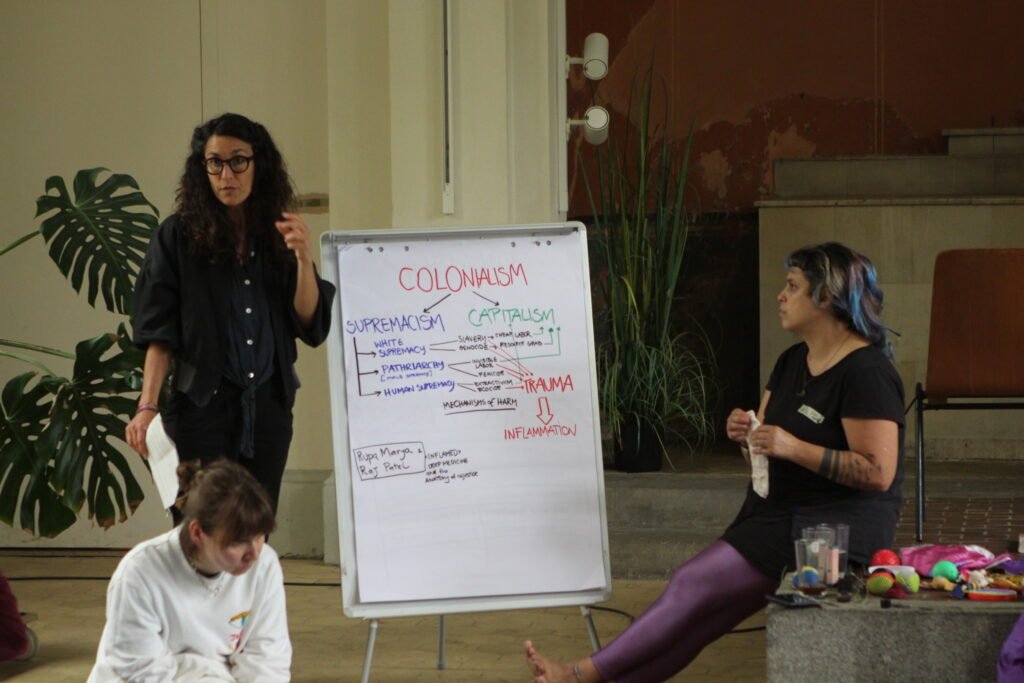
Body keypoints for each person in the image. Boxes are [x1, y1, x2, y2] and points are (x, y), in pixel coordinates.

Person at [525, 242, 905, 682]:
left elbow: (878, 472)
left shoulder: (866, 372)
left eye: (793, 286)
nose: (781, 296)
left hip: (833, 529)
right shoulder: (790, 362)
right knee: (700, 622)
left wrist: (790, 445)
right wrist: (749, 436)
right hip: (776, 513)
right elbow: (767, 449)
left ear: (825, 298)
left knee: (691, 584)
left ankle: (577, 675)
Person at [125, 112, 335, 512]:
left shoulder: (279, 235)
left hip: (269, 407)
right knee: (196, 527)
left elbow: (310, 324)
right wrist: (146, 405)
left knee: (253, 530)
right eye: (215, 163)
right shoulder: (177, 236)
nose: (227, 174)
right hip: (199, 409)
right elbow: (160, 333)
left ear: (259, 164)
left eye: (238, 160)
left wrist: (304, 259)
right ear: (202, 169)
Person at [88, 459, 291, 682]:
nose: (254, 553)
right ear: (197, 532)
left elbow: (267, 660)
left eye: (260, 535)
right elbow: (141, 670)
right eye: (238, 542)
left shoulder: (265, 565)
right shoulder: (139, 573)